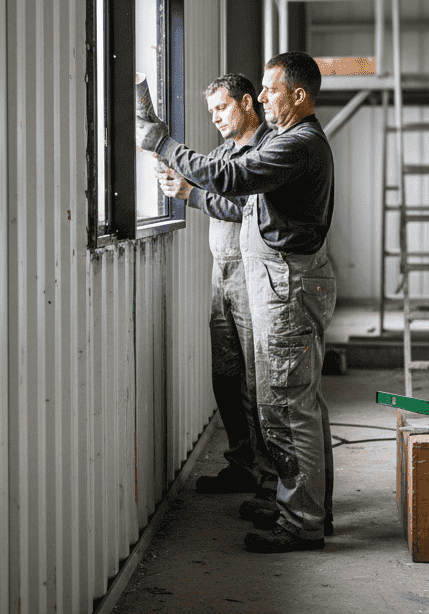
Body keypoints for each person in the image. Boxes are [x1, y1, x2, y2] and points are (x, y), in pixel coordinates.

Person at [137, 52, 336, 553]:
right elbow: (236, 192)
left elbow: (231, 180)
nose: (262, 96)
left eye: (270, 89)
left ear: (299, 95)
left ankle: (302, 522)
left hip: (287, 284)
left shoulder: (296, 144)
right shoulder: (292, 141)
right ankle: (304, 507)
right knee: (292, 402)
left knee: (286, 404)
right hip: (283, 281)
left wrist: (161, 141)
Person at [157, 74, 277, 496]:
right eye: (211, 111)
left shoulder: (266, 150)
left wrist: (190, 194)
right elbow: (204, 181)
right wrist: (174, 177)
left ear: (247, 103)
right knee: (226, 377)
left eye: (222, 108)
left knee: (257, 381)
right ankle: (243, 465)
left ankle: (271, 477)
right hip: (221, 274)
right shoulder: (223, 152)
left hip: (250, 274)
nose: (216, 118)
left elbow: (246, 206)